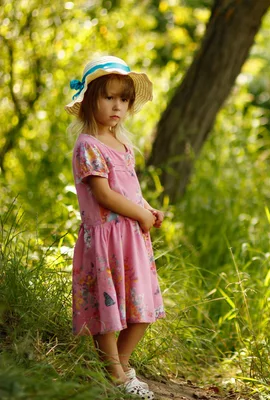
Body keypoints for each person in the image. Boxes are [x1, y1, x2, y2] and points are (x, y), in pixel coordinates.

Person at [66, 55, 165, 400]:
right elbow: (104, 194)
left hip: (131, 240)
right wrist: (139, 215)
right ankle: (115, 375)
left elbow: (131, 190)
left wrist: (148, 209)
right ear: (89, 100)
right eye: (109, 97)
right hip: (105, 240)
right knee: (107, 312)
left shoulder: (123, 147)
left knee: (142, 309)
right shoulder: (88, 146)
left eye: (124, 99)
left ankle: (119, 367)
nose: (117, 106)